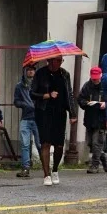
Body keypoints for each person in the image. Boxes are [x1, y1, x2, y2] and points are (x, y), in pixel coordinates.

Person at [31, 56, 77, 186]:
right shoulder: (40, 73)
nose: (59, 63)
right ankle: (46, 174)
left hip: (60, 112)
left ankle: (55, 169)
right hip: (44, 112)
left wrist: (72, 113)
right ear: (49, 61)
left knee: (59, 145)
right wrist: (46, 95)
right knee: (45, 143)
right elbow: (32, 93)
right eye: (57, 60)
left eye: (61, 60)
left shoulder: (65, 74)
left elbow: (69, 94)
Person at [77, 66, 107, 173]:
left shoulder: (106, 86)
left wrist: (106, 104)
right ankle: (104, 159)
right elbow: (80, 99)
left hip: (101, 119)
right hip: (90, 119)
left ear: (101, 75)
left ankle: (94, 165)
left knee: (97, 143)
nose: (95, 79)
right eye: (93, 77)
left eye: (96, 77)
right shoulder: (87, 86)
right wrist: (86, 103)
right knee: (90, 143)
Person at [14, 64, 39, 178]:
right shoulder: (19, 86)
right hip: (25, 118)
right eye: (28, 70)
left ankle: (46, 168)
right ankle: (25, 168)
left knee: (40, 144)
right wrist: (25, 105)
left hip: (38, 118)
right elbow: (16, 101)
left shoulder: (39, 84)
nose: (30, 72)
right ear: (25, 71)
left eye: (32, 70)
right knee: (25, 144)